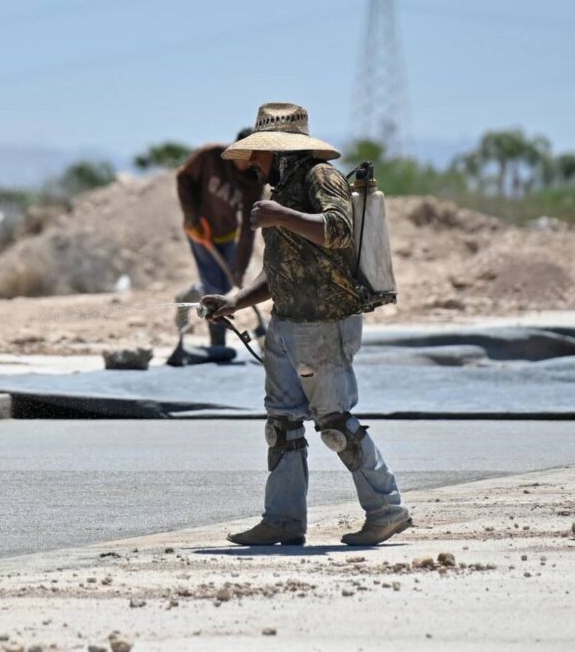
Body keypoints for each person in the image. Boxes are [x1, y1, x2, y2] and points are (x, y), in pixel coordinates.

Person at [201, 102, 411, 546]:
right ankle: (282, 520)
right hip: (287, 322)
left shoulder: (320, 177)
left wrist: (280, 217)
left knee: (334, 422)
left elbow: (340, 230)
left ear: (278, 151)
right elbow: (280, 272)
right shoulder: (280, 192)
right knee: (281, 424)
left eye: (258, 154)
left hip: (324, 323)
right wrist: (236, 300)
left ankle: (387, 510)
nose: (252, 164)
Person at [176, 129, 264, 347]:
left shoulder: (253, 182)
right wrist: (190, 213)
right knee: (216, 286)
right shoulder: (210, 157)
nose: (249, 163)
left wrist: (240, 270)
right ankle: (218, 342)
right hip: (200, 230)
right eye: (246, 156)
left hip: (226, 234)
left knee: (226, 284)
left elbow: (247, 230)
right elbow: (183, 177)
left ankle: (192, 294)